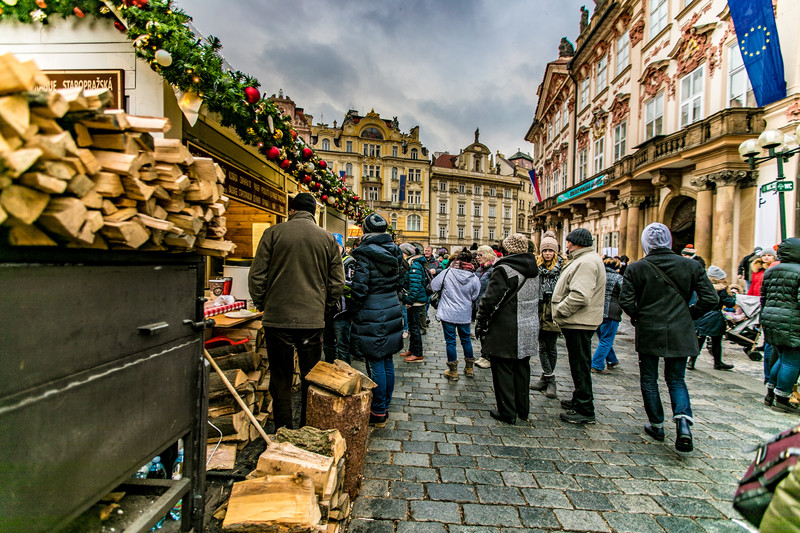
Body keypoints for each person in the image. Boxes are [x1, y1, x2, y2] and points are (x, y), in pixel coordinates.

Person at [248, 192, 345, 430]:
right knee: (310, 377)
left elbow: (257, 275)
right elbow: (337, 282)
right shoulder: (327, 238)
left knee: (280, 377)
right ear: (314, 212)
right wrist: (324, 306)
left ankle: (283, 429)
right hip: (312, 320)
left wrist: (263, 303)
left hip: (277, 318)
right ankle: (306, 427)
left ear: (292, 209)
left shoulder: (272, 233)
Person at [619, 223, 718, 452]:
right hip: (680, 329)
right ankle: (683, 423)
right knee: (676, 379)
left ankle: (656, 424)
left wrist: (639, 316)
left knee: (649, 378)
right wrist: (689, 314)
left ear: (646, 242)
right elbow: (710, 299)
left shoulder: (637, 268)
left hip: (650, 329)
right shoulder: (691, 266)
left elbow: (626, 301)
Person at [475, 233, 539, 425]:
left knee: (502, 369)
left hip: (507, 326)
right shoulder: (535, 269)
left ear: (507, 249)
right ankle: (522, 409)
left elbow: (490, 299)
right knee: (522, 369)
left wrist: (481, 321)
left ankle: (507, 412)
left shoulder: (504, 269)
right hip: (528, 324)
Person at [349, 213, 405, 427]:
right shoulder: (396, 250)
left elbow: (360, 287)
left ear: (365, 230)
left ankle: (379, 411)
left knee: (375, 361)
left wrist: (353, 310)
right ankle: (385, 404)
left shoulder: (364, 253)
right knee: (387, 359)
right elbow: (401, 279)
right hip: (391, 307)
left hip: (372, 310)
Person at [551, 228, 606, 424]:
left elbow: (580, 295)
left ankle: (585, 407)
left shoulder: (586, 262)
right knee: (577, 363)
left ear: (576, 243)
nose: (566, 246)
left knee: (580, 365)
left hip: (579, 321)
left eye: (568, 243)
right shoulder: (585, 259)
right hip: (579, 321)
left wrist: (560, 311)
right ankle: (579, 399)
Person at [761, 238, 800, 413]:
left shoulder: (771, 270)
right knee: (792, 361)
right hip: (793, 321)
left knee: (782, 357)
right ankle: (782, 398)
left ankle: (771, 392)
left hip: (772, 319)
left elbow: (764, 297)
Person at [430, 250, 480, 381]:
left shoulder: (448, 272)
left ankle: (453, 371)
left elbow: (434, 286)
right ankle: (469, 368)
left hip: (448, 313)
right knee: (466, 340)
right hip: (464, 313)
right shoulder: (474, 277)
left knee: (450, 341)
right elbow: (475, 296)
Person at [530, 231, 567, 398]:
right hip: (538, 308)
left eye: (550, 250)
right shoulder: (536, 267)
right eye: (544, 250)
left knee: (550, 347)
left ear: (556, 252)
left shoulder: (563, 268)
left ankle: (549, 379)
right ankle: (547, 378)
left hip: (553, 309)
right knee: (542, 346)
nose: (547, 253)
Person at [690, 266, 736, 371]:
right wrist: (733, 296)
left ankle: (691, 362)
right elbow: (729, 303)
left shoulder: (700, 285)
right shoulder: (721, 289)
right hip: (714, 316)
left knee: (699, 340)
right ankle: (717, 362)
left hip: (701, 315)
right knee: (716, 341)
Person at [323, 232, 357, 364]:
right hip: (326, 311)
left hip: (341, 312)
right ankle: (330, 373)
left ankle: (344, 375)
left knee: (342, 346)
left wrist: (331, 286)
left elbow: (350, 284)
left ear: (342, 247)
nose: (335, 249)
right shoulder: (324, 261)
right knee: (327, 345)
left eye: (337, 246)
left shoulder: (349, 262)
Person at [591, 257, 623, 374]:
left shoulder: (599, 276)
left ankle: (612, 360)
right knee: (606, 340)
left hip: (598, 310)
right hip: (611, 312)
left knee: (603, 338)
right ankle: (596, 364)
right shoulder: (618, 278)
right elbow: (625, 293)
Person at [399, 242, 429, 363]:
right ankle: (412, 349)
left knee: (415, 327)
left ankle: (418, 354)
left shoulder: (414, 264)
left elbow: (415, 285)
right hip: (414, 300)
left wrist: (410, 300)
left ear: (405, 253)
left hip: (416, 301)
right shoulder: (412, 262)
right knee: (412, 326)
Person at [473, 245, 497, 369]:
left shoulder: (493, 269)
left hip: (489, 305)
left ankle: (488, 357)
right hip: (479, 304)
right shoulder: (479, 270)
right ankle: (484, 354)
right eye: (477, 255)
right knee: (481, 329)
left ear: (487, 255)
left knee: (487, 331)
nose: (478, 257)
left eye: (480, 255)